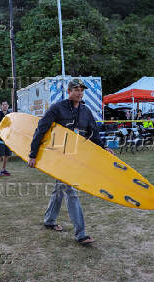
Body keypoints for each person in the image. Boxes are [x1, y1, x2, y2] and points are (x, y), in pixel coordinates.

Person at [28, 78, 114, 245]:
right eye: (76, 89)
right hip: (59, 157)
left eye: (82, 90)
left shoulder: (86, 111)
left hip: (76, 157)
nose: (80, 92)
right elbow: (41, 129)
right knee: (71, 192)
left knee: (60, 189)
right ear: (69, 91)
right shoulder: (57, 108)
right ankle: (80, 234)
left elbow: (93, 133)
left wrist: (103, 147)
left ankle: (49, 220)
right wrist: (33, 154)